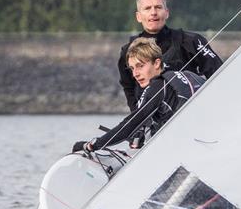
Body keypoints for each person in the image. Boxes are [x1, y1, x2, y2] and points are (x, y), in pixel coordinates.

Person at [74, 37, 205, 152]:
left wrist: (93, 145)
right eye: (132, 68)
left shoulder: (157, 87)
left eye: (140, 66)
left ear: (157, 63)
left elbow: (129, 124)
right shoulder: (190, 75)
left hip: (189, 147)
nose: (135, 74)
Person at [118, 0, 222, 110]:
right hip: (153, 120)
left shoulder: (191, 41)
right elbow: (128, 86)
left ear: (166, 12)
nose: (153, 12)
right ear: (138, 16)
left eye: (158, 7)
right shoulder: (128, 51)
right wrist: (136, 116)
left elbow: (219, 75)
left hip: (190, 112)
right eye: (147, 8)